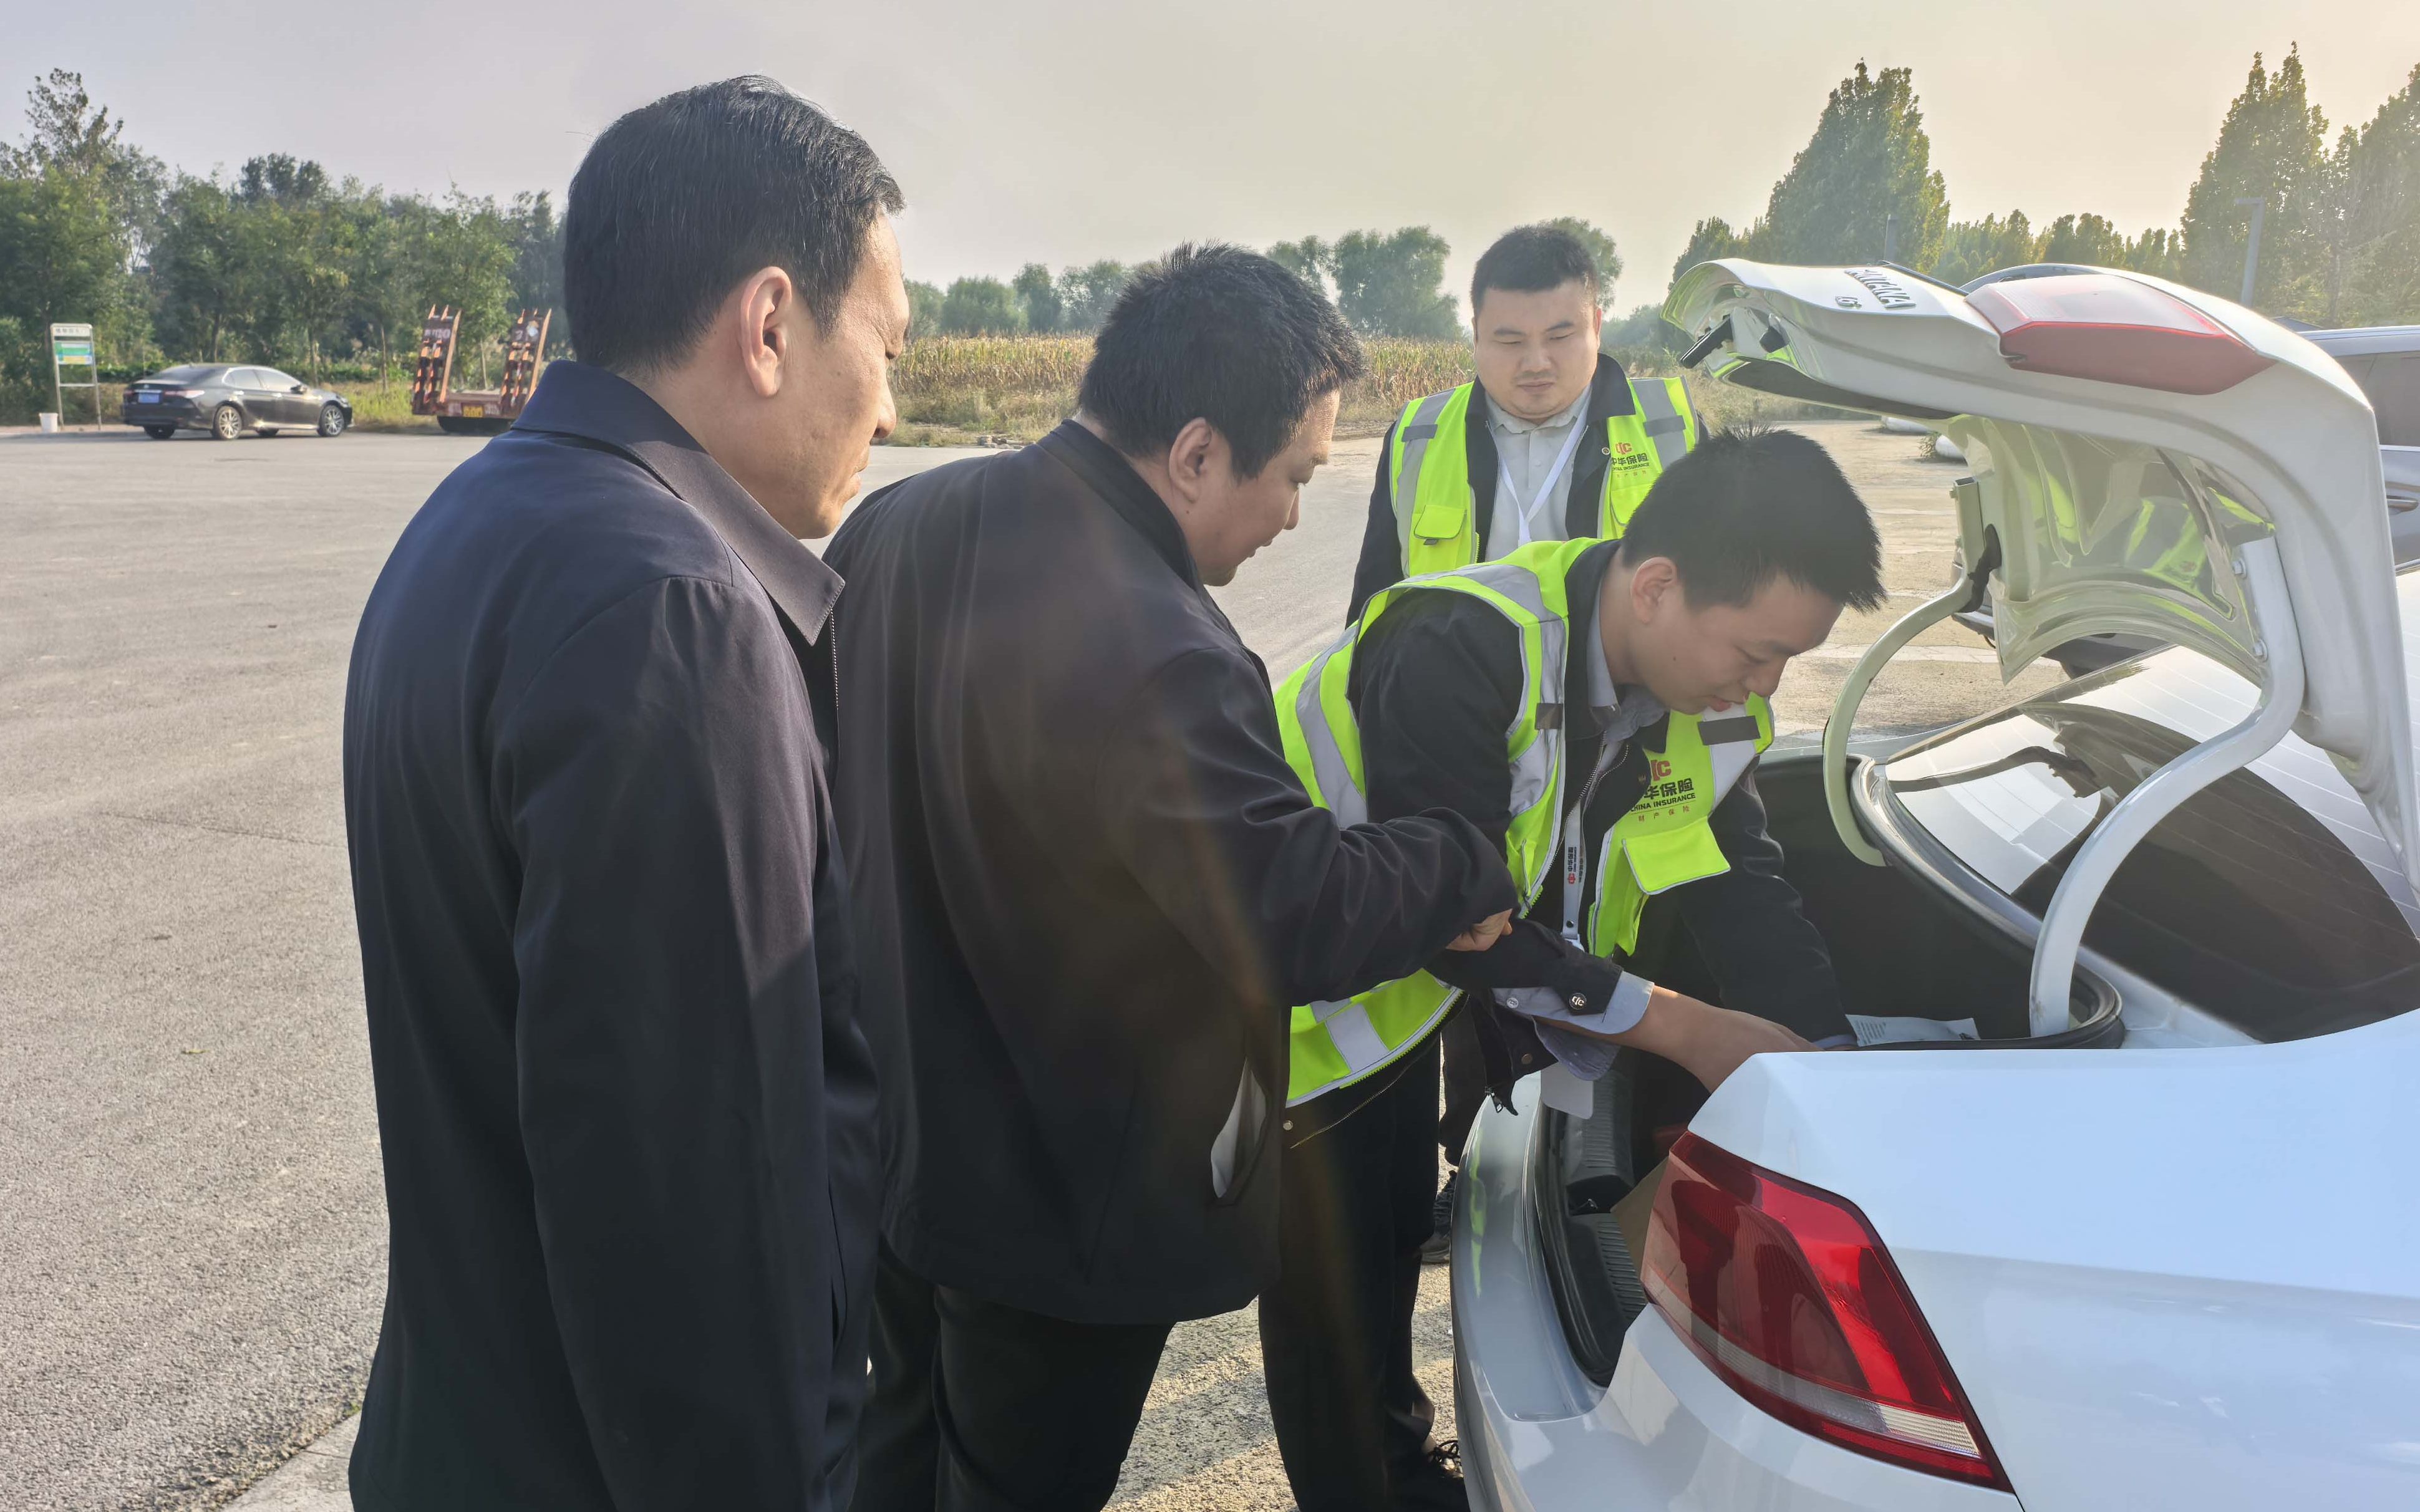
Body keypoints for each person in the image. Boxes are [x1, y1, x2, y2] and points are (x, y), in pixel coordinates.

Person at [826, 245, 1521, 1512]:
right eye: (1295, 475)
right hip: (1062, 1204)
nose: (1295, 516)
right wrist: (1463, 856)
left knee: (897, 1453)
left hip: (902, 1142)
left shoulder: (898, 522)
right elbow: (1292, 913)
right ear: (1197, 453)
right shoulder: (1162, 643)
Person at [341, 77, 904, 1511]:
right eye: (886, 346)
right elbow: (698, 1216)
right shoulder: (675, 612)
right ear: (769, 325)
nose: (890, 406)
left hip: (471, 1433)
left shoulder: (480, 516)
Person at [1262, 427, 1886, 1511]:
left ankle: (1397, 1469)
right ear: (1657, 587)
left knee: (1391, 1240)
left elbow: (1744, 887)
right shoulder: (1462, 645)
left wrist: (1825, 1062)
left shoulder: (1704, 704)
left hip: (1410, 1014)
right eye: (1755, 651)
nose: (1766, 683)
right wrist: (1690, 1028)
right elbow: (1450, 926)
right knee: (1336, 1283)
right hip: (1299, 1020)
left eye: (1791, 657)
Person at [1347, 224, 1708, 1266]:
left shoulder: (1667, 428)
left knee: (1608, 961)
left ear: (1599, 321)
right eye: (1508, 339)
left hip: (1616, 752)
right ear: (1472, 334)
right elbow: (1373, 605)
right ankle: (1471, 1172)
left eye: (1560, 334)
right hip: (1467, 754)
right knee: (1472, 970)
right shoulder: (1420, 437)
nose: (1535, 363)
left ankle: (1587, 1186)